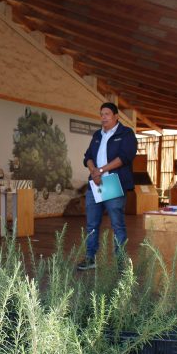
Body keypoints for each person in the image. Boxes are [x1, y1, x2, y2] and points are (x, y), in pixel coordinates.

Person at [77, 102, 137, 270]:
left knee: (117, 224)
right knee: (91, 224)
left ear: (116, 116)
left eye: (107, 114)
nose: (103, 117)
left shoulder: (125, 133)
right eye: (101, 114)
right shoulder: (97, 134)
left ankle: (121, 261)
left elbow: (125, 157)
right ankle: (90, 258)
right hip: (95, 184)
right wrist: (94, 172)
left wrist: (101, 170)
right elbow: (88, 157)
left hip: (113, 183)